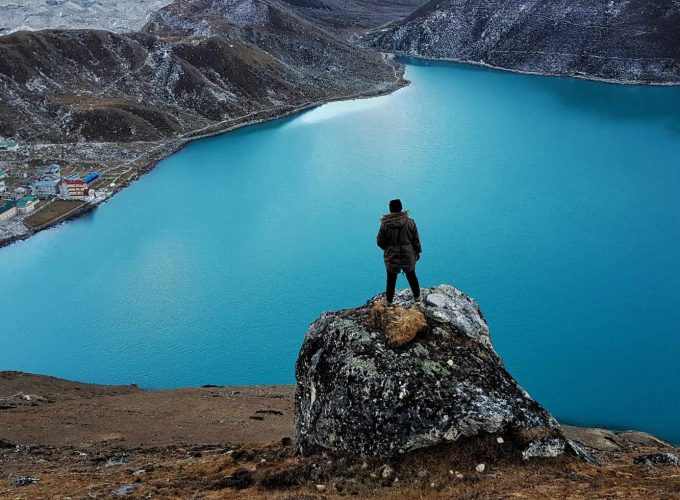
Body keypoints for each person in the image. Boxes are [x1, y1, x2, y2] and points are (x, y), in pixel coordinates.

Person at [376, 199, 422, 305]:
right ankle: (418, 298)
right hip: (408, 254)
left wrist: (388, 249)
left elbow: (379, 241)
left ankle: (388, 302)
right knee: (412, 275)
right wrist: (418, 251)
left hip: (392, 255)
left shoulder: (385, 225)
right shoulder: (410, 222)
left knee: (391, 279)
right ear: (401, 208)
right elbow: (416, 239)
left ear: (390, 209)